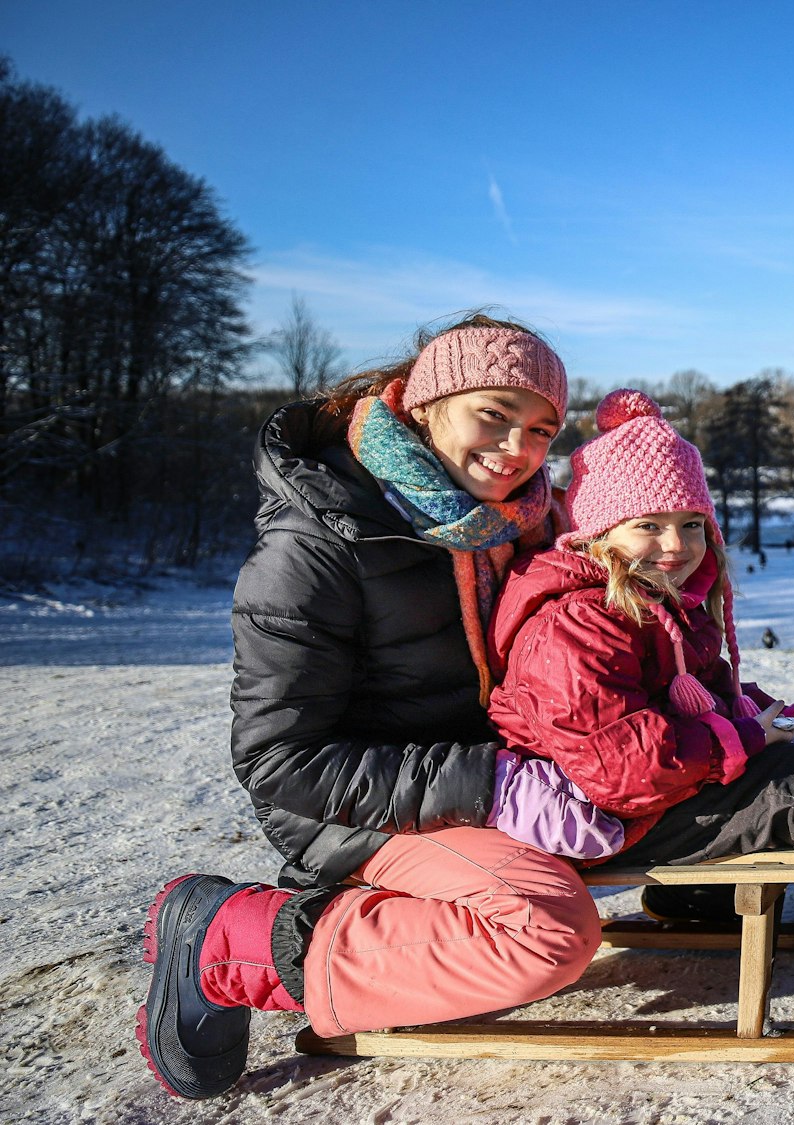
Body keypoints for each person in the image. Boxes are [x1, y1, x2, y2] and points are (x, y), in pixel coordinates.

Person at [136, 316, 617, 1099]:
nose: (518, 447)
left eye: (540, 428)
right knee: (548, 929)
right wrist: (490, 782)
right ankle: (234, 940)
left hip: (471, 780)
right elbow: (278, 759)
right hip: (351, 805)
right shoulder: (318, 540)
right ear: (428, 403)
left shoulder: (518, 525)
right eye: (493, 414)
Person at [484, 390, 794, 925]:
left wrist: (768, 715)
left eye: (692, 523)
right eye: (649, 525)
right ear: (599, 534)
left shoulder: (664, 604)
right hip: (604, 819)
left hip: (654, 800)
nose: (676, 543)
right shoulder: (576, 624)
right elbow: (620, 769)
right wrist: (749, 738)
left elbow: (713, 691)